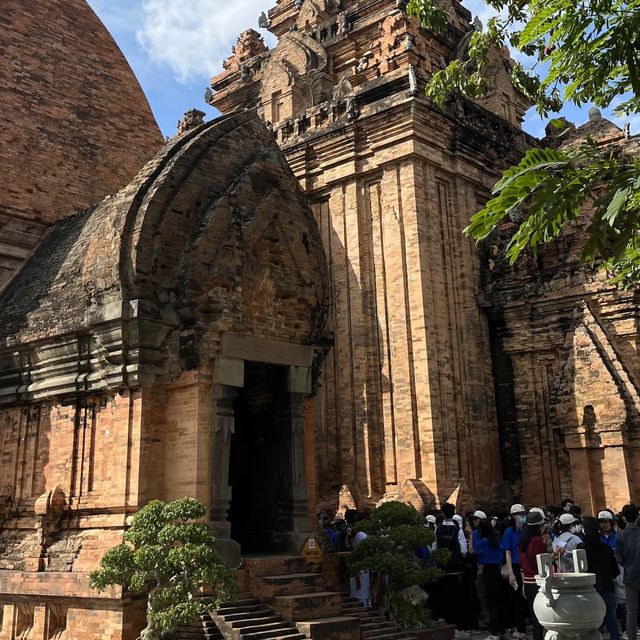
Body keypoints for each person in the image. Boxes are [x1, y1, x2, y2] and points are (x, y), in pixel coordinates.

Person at [579, 517, 620, 640]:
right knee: (612, 624)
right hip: (607, 588)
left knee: (594, 627)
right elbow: (615, 571)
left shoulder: (581, 548)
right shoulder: (606, 548)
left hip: (589, 591)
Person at [435, 503, 470, 639]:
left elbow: (433, 547)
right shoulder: (458, 530)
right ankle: (458, 627)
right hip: (455, 569)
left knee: (444, 595)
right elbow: (463, 551)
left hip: (442, 568)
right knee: (457, 598)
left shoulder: (437, 530)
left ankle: (447, 624)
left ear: (443, 514)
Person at [468, 516, 505, 640]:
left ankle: (494, 633)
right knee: (498, 601)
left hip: (488, 570)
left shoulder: (484, 541)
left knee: (491, 603)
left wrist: (471, 534)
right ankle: (501, 631)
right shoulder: (495, 539)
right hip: (497, 570)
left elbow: (472, 550)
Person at [519, 511, 548, 640]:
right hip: (538, 583)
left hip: (528, 583)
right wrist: (556, 554)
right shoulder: (537, 541)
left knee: (535, 618)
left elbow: (522, 566)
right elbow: (541, 563)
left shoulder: (522, 541)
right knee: (542, 620)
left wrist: (524, 584)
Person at [502, 504, 528, 640]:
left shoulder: (527, 530)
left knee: (526, 597)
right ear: (513, 516)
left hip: (528, 567)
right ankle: (519, 628)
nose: (522, 516)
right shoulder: (509, 532)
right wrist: (511, 572)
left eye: (523, 513)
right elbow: (508, 553)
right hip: (516, 567)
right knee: (517, 599)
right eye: (520, 514)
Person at [616, 503, 640, 640]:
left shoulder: (620, 536)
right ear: (638, 516)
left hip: (630, 576)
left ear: (624, 518)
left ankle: (632, 637)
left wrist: (628, 563)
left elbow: (619, 559)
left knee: (631, 612)